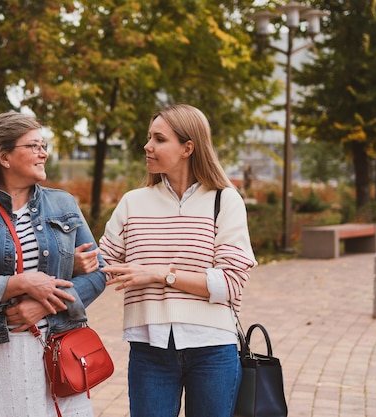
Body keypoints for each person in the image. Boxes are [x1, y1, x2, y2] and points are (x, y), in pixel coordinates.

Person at [0, 111, 106, 417]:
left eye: (43, 145)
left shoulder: (63, 204)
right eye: (32, 146)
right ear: (3, 157)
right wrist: (19, 284)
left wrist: (44, 305)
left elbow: (99, 273)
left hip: (59, 346)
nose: (43, 152)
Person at [98, 103, 257, 417]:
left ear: (188, 147)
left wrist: (161, 275)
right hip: (149, 349)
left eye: (159, 139)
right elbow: (104, 265)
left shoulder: (225, 200)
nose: (148, 146)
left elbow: (230, 283)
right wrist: (73, 259)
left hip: (213, 348)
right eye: (149, 137)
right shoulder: (133, 202)